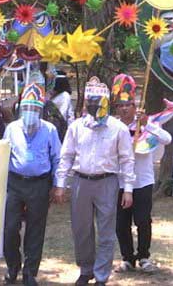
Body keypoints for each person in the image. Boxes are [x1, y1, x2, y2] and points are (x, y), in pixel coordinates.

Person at [53, 76, 135, 286]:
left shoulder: (118, 128)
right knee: (82, 229)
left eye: (97, 103)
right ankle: (85, 269)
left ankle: (101, 276)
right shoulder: (77, 126)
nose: (93, 106)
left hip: (107, 182)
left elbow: (127, 160)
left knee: (106, 230)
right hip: (81, 182)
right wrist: (61, 183)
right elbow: (67, 155)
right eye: (90, 102)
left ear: (106, 103)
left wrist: (128, 189)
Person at [2, 83, 61, 286]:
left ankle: (30, 272)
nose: (30, 113)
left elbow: (57, 159)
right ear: (20, 109)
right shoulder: (11, 129)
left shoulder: (50, 130)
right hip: (14, 183)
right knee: (9, 228)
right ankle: (12, 266)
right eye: (27, 108)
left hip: (39, 184)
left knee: (36, 229)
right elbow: (3, 156)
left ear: (41, 111)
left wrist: (57, 185)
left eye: (35, 109)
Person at [111, 74, 171, 274]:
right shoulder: (113, 127)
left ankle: (144, 256)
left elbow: (167, 139)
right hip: (120, 182)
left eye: (128, 105)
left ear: (135, 107)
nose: (124, 108)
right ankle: (127, 258)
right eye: (120, 105)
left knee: (143, 220)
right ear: (116, 108)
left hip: (143, 181)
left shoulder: (147, 124)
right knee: (121, 223)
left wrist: (147, 124)